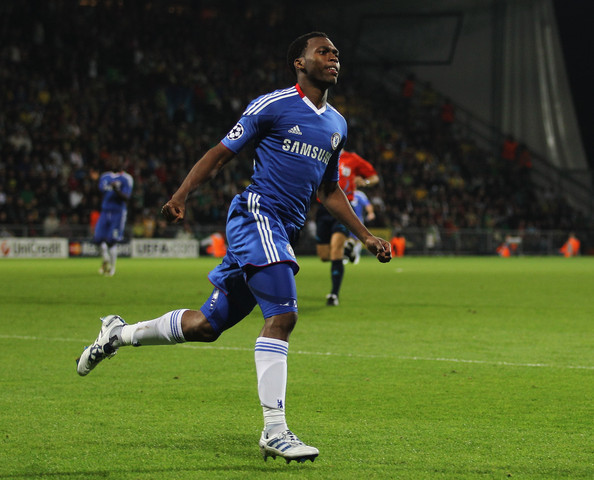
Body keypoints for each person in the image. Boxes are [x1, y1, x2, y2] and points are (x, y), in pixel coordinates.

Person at [76, 32, 392, 464]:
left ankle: (118, 334)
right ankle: (275, 431)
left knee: (207, 325)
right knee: (283, 316)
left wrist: (366, 236)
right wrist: (181, 194)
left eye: (336, 52)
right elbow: (220, 153)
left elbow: (329, 190)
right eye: (323, 51)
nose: (333, 57)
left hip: (283, 230)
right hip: (257, 215)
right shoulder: (273, 105)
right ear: (299, 62)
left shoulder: (337, 124)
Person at [315, 150, 378, 305]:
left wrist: (365, 182)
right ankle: (347, 251)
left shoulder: (352, 159)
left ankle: (334, 295)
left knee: (336, 248)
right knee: (324, 255)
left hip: (343, 207)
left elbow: (374, 177)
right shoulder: (320, 151)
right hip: (323, 208)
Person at [92, 155, 133, 276]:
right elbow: (99, 192)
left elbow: (127, 198)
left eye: (117, 161)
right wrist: (94, 181)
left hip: (118, 212)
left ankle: (112, 268)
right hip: (105, 211)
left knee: (111, 241)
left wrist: (116, 190)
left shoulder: (126, 178)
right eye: (113, 161)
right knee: (97, 239)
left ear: (122, 164)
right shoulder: (105, 176)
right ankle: (106, 259)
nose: (114, 163)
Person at [344, 189, 375, 264]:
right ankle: (345, 255)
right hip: (345, 219)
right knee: (344, 237)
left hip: (358, 220)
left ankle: (355, 254)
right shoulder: (344, 192)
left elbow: (367, 204)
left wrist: (370, 213)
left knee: (357, 238)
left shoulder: (359, 195)